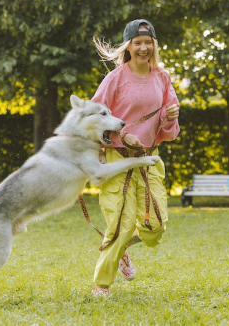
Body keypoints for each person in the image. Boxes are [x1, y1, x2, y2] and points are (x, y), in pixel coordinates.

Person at [89, 19, 180, 297]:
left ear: (154, 45)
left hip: (149, 160)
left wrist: (169, 118)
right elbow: (93, 119)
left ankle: (123, 249)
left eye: (147, 42)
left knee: (155, 228)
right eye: (137, 43)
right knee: (120, 224)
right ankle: (101, 285)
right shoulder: (115, 78)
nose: (143, 47)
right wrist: (120, 136)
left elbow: (169, 132)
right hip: (118, 160)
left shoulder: (162, 78)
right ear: (128, 46)